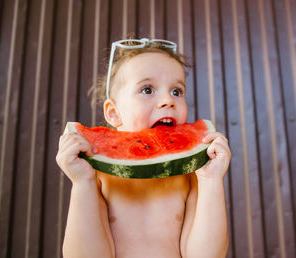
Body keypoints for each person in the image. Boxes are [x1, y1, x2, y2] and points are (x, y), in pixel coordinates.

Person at [56, 38, 231, 258]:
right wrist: (82, 183)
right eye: (147, 89)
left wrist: (211, 181)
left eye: (177, 91)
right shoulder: (100, 175)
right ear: (113, 113)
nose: (168, 100)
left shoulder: (191, 176)